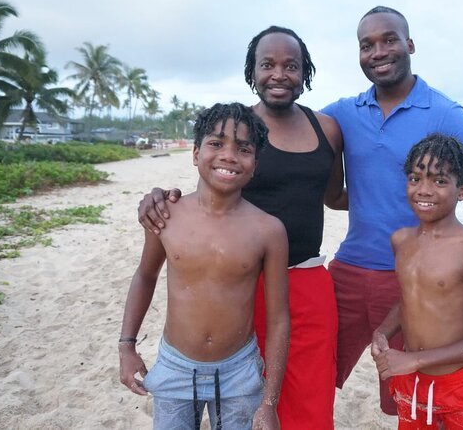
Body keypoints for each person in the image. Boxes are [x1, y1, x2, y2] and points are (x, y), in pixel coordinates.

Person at [138, 27, 345, 429]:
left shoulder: (328, 129)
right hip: (243, 282)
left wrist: (408, 202)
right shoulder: (238, 129)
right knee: (247, 399)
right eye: (267, 64)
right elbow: (211, 184)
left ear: (305, 72)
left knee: (312, 398)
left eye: (291, 65)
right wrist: (160, 197)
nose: (279, 74)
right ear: (252, 71)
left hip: (308, 281)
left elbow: (335, 196)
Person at [320, 5, 463, 415]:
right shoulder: (342, 113)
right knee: (315, 373)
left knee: (405, 399)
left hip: (413, 277)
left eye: (389, 40)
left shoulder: (445, 114)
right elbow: (282, 135)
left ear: (409, 44)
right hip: (347, 272)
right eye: (367, 45)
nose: (378, 51)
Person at [119, 103, 290, 430]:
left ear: (255, 165)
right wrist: (127, 345)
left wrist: (269, 401)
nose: (229, 156)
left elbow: (279, 318)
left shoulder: (268, 230)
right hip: (175, 366)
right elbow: (145, 275)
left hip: (239, 371)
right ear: (196, 153)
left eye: (243, 149)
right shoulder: (166, 215)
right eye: (216, 143)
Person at [371, 133, 463, 429]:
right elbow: (409, 299)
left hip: (458, 385)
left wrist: (416, 360)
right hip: (412, 382)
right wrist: (382, 331)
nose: (424, 190)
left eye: (440, 181)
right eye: (415, 178)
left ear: (462, 190)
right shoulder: (401, 240)